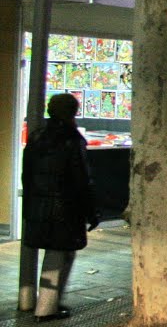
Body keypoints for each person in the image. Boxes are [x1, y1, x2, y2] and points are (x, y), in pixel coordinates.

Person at [21, 94, 99, 321]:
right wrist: (91, 211)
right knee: (59, 254)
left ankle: (45, 302)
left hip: (39, 205)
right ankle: (46, 307)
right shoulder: (71, 140)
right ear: (73, 112)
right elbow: (82, 180)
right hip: (64, 207)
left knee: (54, 252)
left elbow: (27, 174)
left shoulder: (37, 137)